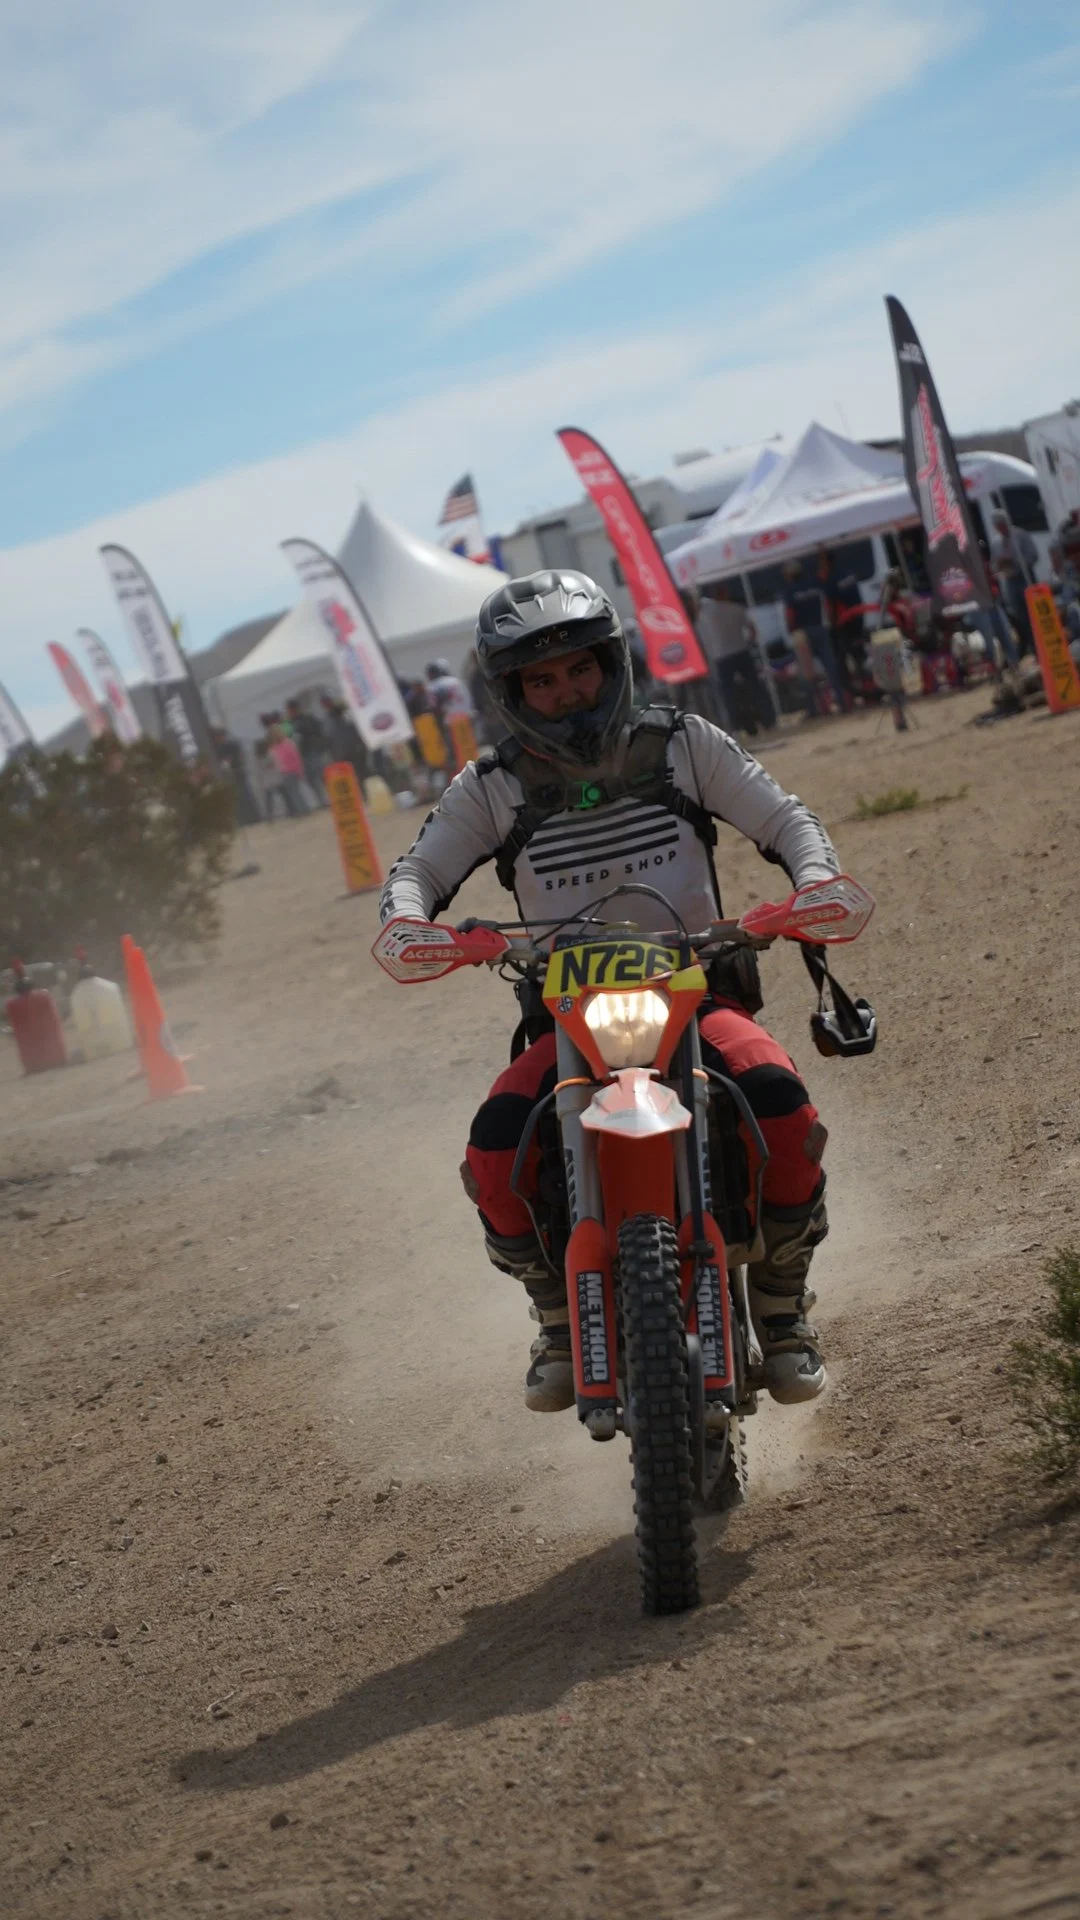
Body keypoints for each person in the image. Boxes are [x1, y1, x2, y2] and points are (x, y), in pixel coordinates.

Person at [379, 570, 862, 1414]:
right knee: (494, 1154)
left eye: (579, 670)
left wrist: (811, 879)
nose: (565, 693)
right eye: (541, 679)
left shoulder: (684, 743)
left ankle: (783, 1314)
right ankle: (558, 1317)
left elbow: (786, 819)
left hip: (697, 989)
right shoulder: (490, 785)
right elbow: (418, 869)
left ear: (611, 664)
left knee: (785, 1110)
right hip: (562, 1017)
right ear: (512, 691)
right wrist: (411, 922)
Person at [695, 582, 775, 734]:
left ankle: (736, 726)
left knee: (728, 695)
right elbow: (752, 630)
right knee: (756, 687)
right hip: (741, 652)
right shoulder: (737, 609)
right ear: (726, 594)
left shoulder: (707, 613)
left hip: (721, 657)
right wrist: (749, 643)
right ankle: (769, 720)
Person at [782, 560, 846, 718]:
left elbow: (790, 614)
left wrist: (791, 629)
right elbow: (827, 604)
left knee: (807, 673)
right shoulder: (815, 584)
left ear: (789, 576)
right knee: (830, 667)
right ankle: (842, 702)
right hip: (820, 628)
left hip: (802, 634)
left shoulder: (790, 591)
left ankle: (815, 708)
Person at [990, 511, 1037, 659]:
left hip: (1024, 578)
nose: (1000, 528)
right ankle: (1032, 647)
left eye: (1002, 524)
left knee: (1033, 614)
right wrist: (998, 565)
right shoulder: (996, 542)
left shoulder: (1020, 535)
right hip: (1009, 581)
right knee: (1020, 618)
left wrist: (1015, 561)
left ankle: (1040, 645)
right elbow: (993, 564)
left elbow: (1033, 555)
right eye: (997, 526)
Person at [285, 697, 329, 807]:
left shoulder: (307, 718)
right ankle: (322, 800)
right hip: (301, 755)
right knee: (310, 779)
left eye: (291, 710)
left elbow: (319, 731)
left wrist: (319, 745)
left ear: (296, 709)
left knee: (322, 776)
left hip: (313, 751)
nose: (290, 712)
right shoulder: (289, 723)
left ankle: (330, 797)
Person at [266, 722, 308, 816]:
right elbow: (296, 757)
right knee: (296, 792)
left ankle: (303, 811)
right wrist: (300, 770)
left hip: (285, 772)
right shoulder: (289, 743)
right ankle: (304, 809)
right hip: (293, 770)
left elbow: (276, 762)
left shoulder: (274, 748)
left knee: (294, 794)